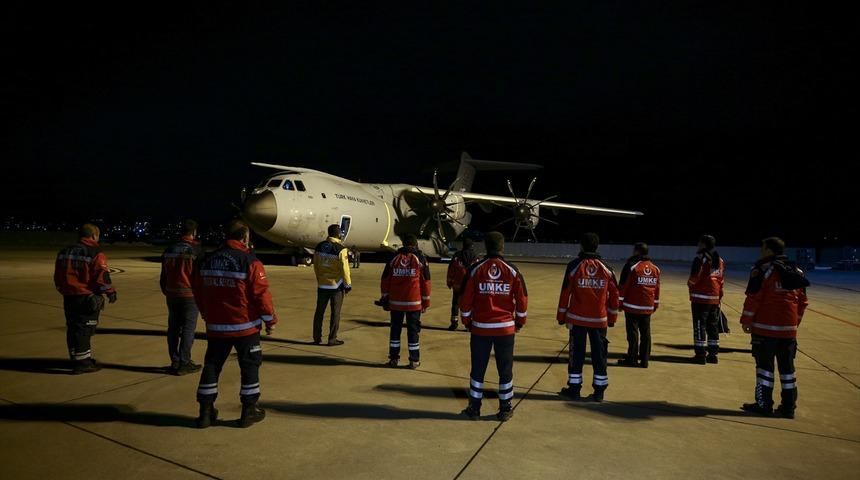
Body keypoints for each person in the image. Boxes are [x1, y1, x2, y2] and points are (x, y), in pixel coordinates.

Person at [192, 222, 277, 428]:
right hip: (245, 326)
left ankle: (205, 411)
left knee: (212, 366)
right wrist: (270, 320)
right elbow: (260, 295)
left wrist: (206, 314)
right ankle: (248, 410)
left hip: (216, 326)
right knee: (249, 366)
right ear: (244, 238)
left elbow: (197, 289)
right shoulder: (249, 261)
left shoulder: (206, 260)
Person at [459, 232, 527, 421]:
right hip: (505, 329)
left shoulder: (475, 269)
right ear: (502, 246)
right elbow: (522, 299)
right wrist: (519, 322)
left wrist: (467, 321)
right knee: (505, 369)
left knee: (477, 369)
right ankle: (505, 408)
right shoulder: (512, 270)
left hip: (480, 328)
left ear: (486, 247)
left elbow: (465, 300)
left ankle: (474, 408)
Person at [741, 237, 809, 418]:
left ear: (769, 251)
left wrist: (746, 321)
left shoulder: (762, 270)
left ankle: (764, 405)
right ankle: (788, 408)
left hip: (765, 329)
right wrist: (794, 324)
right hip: (788, 331)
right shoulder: (797, 271)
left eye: (763, 249)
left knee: (764, 368)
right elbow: (802, 302)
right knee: (788, 370)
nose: (761, 252)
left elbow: (754, 297)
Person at [557, 232, 619, 402]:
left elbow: (565, 293)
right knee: (599, 356)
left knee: (576, 355)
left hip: (577, 319)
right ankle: (599, 392)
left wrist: (562, 316)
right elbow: (614, 295)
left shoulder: (574, 266)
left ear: (581, 246)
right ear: (596, 246)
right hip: (599, 320)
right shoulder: (607, 269)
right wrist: (612, 318)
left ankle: (574, 389)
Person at [53, 223, 117, 374]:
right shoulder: (94, 252)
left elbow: (58, 274)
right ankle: (82, 363)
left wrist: (63, 289)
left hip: (69, 296)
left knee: (73, 328)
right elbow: (101, 276)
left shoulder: (65, 251)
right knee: (84, 329)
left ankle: (77, 357)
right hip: (86, 296)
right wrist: (110, 292)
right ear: (94, 235)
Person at [160, 219, 204, 375]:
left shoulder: (169, 249)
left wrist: (166, 290)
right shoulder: (195, 250)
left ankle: (175, 360)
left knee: (173, 328)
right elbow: (200, 276)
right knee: (188, 329)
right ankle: (184, 362)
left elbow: (163, 275)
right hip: (189, 295)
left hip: (172, 294)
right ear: (193, 233)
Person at [380, 234, 430, 369]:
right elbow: (426, 282)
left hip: (396, 303)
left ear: (403, 244)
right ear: (415, 245)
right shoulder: (420, 259)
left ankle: (393, 359)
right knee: (413, 331)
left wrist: (385, 298)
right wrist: (426, 302)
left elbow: (385, 280)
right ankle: (414, 360)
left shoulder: (393, 258)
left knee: (395, 331)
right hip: (414, 303)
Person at [617, 243, 660, 368]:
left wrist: (619, 303)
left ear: (636, 251)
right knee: (646, 333)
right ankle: (645, 359)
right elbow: (657, 288)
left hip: (632, 306)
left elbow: (623, 286)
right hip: (647, 307)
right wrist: (655, 304)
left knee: (633, 333)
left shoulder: (632, 266)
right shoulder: (655, 268)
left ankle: (632, 358)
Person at [688, 234, 726, 364]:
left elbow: (694, 277)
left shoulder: (700, 259)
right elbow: (721, 280)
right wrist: (719, 295)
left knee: (700, 326)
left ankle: (700, 354)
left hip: (700, 298)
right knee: (712, 326)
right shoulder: (719, 260)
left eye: (700, 243)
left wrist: (690, 285)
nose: (698, 245)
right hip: (714, 298)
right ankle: (713, 354)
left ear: (704, 244)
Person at [312, 224, 352, 346]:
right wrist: (348, 284)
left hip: (322, 285)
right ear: (338, 234)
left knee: (319, 312)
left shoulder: (319, 247)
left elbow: (316, 266)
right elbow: (345, 269)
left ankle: (317, 337)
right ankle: (332, 338)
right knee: (335, 313)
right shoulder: (341, 249)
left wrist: (320, 279)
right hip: (336, 286)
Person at [446, 237, 479, 330]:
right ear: (472, 246)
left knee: (455, 304)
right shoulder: (475, 256)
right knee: (470, 304)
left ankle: (454, 323)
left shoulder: (457, 255)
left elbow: (451, 269)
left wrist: (449, 281)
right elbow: (478, 271)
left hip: (458, 285)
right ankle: (469, 324)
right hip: (470, 286)